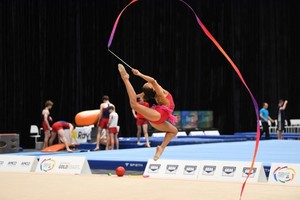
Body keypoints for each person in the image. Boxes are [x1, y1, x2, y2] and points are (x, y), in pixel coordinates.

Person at [118, 63, 178, 161]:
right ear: (153, 88)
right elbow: (153, 81)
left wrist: (135, 95)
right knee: (134, 105)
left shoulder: (157, 92)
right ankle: (125, 79)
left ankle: (161, 148)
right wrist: (139, 74)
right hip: (159, 116)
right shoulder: (159, 92)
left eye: (147, 83)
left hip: (157, 120)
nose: (148, 82)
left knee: (174, 131)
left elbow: (143, 91)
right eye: (148, 83)